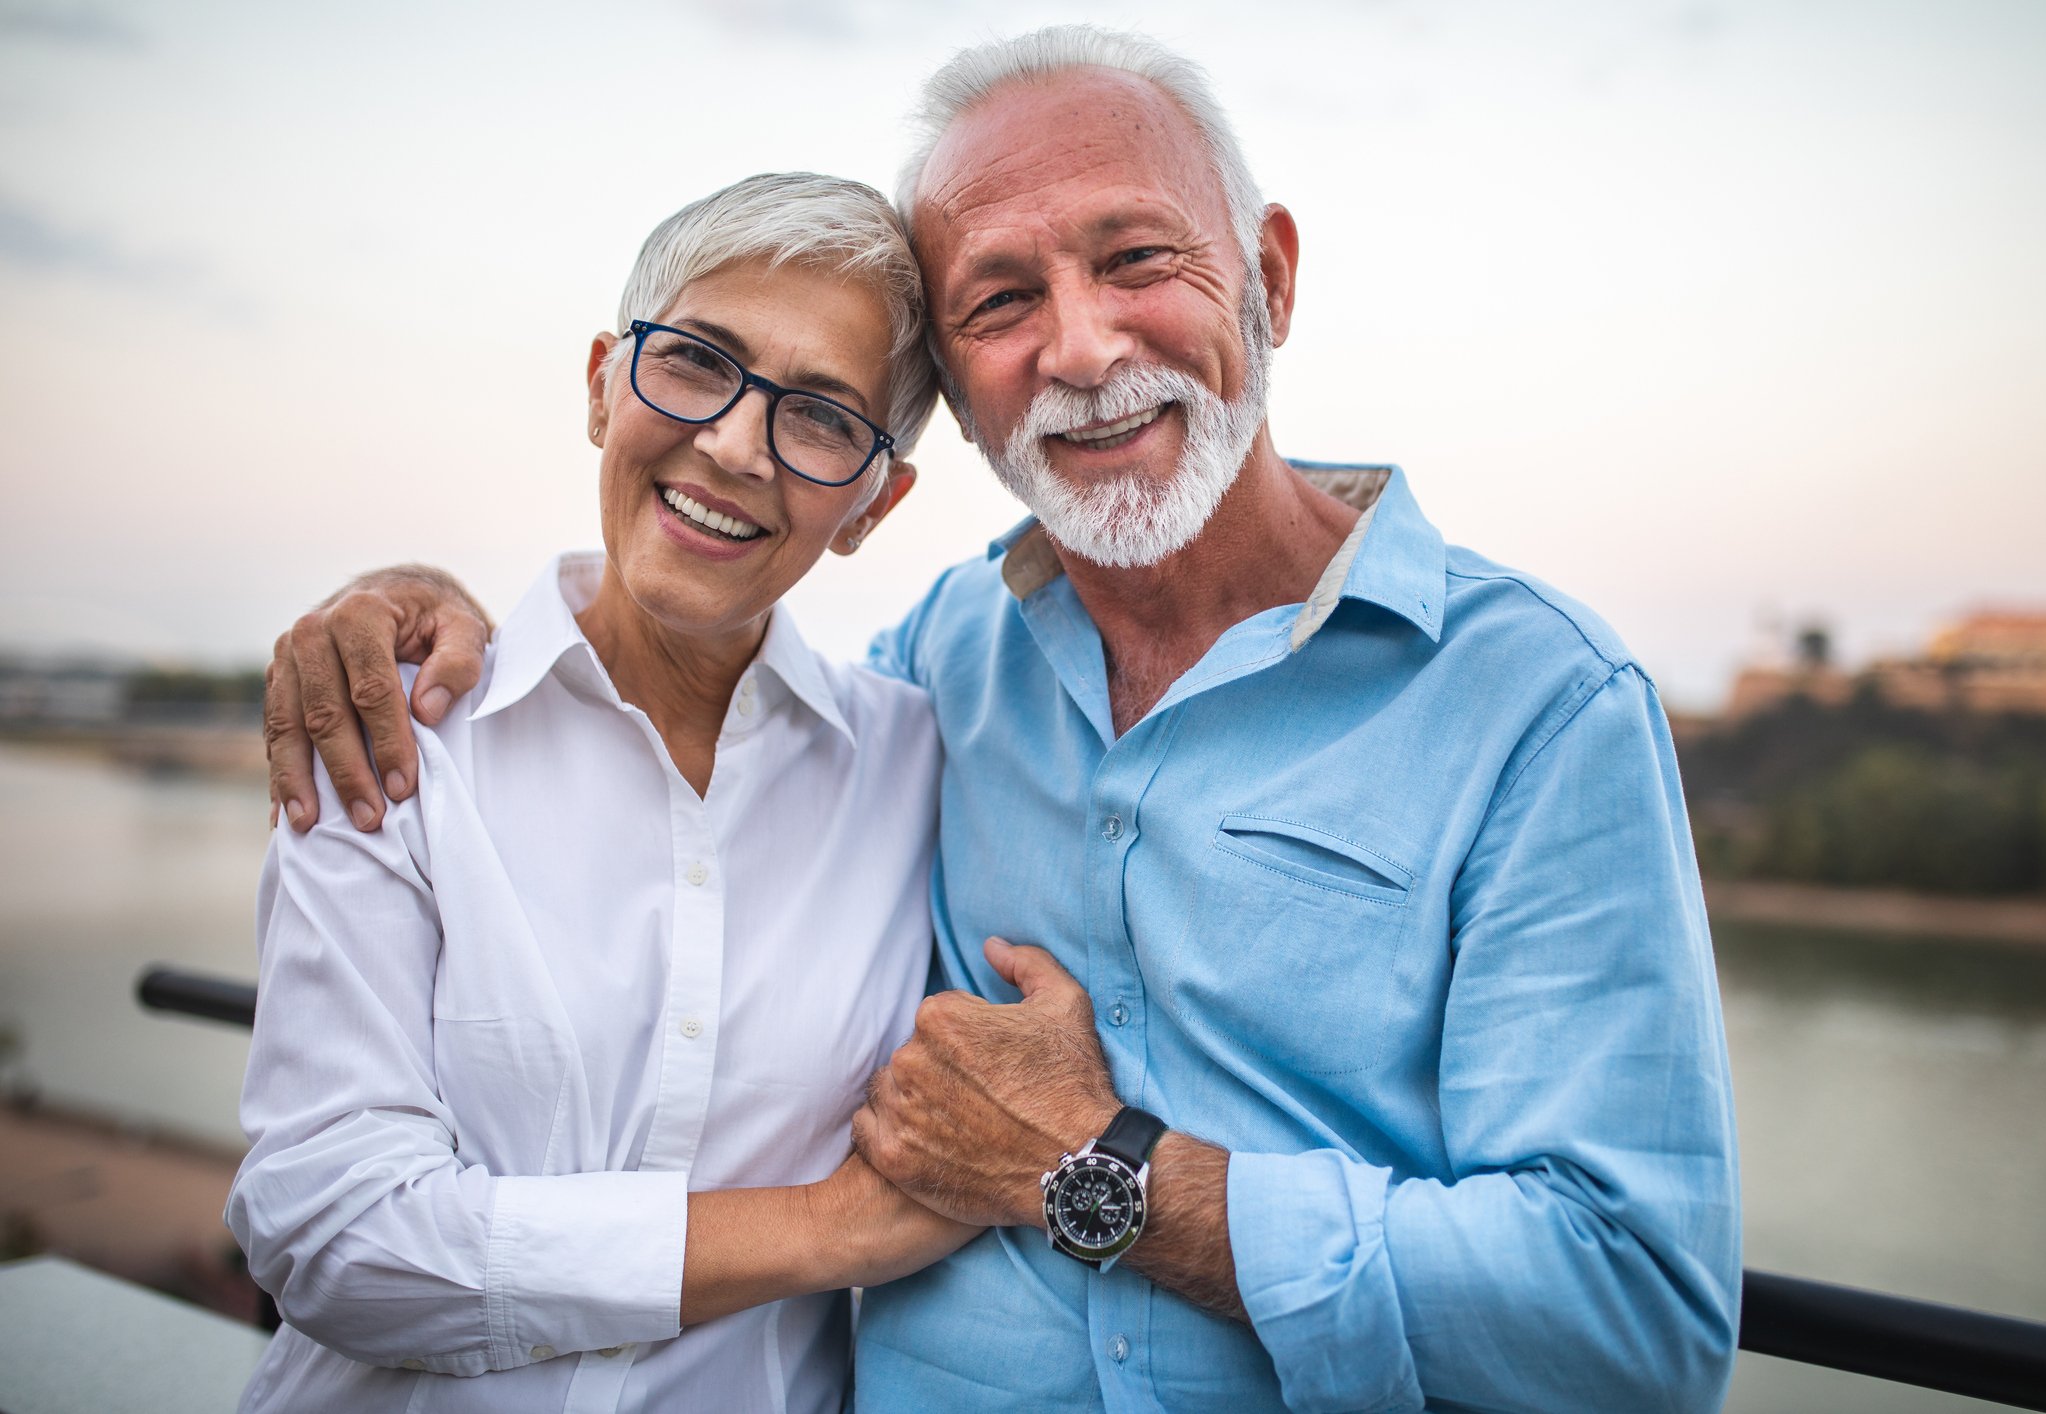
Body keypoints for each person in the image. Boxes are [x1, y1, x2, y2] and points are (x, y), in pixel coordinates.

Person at [268, 26, 1742, 1414]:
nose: (1084, 348)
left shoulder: (1540, 706)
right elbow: (681, 651)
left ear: (1270, 283)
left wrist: (1102, 1175)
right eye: (1000, 299)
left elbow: (1636, 1313)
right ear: (955, 413)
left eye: (1136, 259)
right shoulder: (926, 684)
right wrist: (404, 606)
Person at [227, 172, 977, 1414]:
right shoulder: (400, 734)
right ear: (600, 384)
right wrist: (830, 1231)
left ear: (871, 506)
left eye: (824, 418)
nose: (735, 444)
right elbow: (331, 1233)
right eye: (694, 362)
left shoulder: (917, 766)